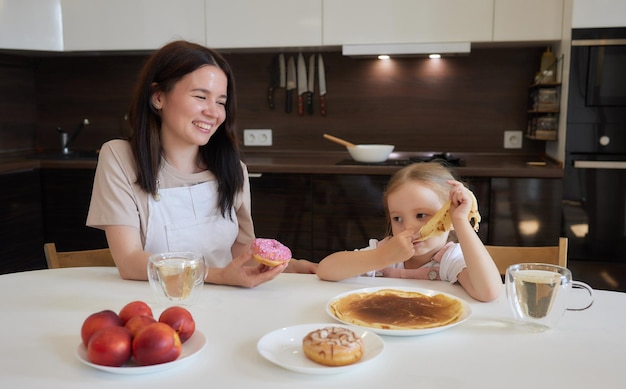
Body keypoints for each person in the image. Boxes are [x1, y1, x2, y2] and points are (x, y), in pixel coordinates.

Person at [87, 40, 316, 287]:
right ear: (158, 97)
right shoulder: (120, 158)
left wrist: (293, 267)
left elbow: (241, 257)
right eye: (200, 96)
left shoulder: (233, 169)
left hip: (228, 303)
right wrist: (215, 275)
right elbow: (130, 262)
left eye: (220, 102)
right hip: (158, 309)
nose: (214, 112)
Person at [316, 162, 501, 302]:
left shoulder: (449, 259)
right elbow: (325, 270)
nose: (408, 227)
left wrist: (460, 221)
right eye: (397, 218)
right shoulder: (385, 251)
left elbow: (489, 292)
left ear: (447, 218)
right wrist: (383, 257)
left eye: (421, 215)